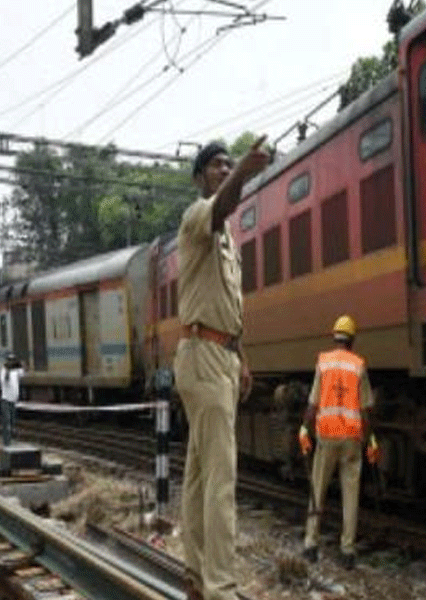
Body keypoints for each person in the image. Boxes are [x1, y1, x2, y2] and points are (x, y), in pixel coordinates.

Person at [173, 137, 270, 600]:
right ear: (199, 177)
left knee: (198, 474)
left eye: (227, 164)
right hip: (203, 356)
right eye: (215, 165)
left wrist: (241, 355)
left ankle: (196, 574)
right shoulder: (199, 217)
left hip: (220, 355)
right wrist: (244, 173)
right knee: (221, 477)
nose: (223, 169)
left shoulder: (228, 240)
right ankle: (222, 588)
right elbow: (223, 203)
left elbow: (227, 304)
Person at [298, 315, 380, 570]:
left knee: (318, 489)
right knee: (350, 494)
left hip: (326, 437)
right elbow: (366, 410)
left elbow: (313, 404)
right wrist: (372, 440)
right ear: (352, 339)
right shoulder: (358, 365)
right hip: (351, 440)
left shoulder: (323, 362)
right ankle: (347, 551)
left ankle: (311, 544)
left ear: (334, 336)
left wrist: (304, 428)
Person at [0, 354, 23, 446]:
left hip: (13, 400)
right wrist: (8, 370)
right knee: (6, 421)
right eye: (9, 360)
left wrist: (19, 364)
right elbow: (5, 380)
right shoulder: (4, 371)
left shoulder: (16, 371)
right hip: (6, 400)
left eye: (13, 360)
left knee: (12, 421)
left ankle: (12, 440)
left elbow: (23, 372)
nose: (11, 362)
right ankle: (6, 442)